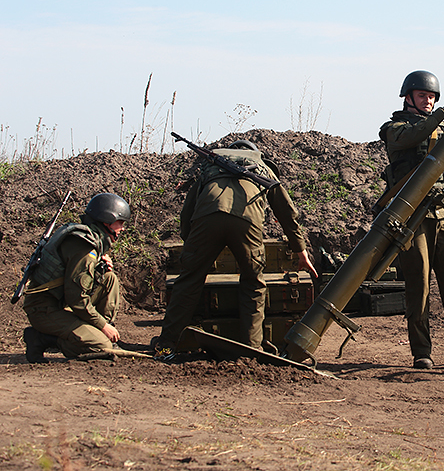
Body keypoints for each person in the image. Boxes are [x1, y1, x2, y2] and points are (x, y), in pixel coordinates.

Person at [153, 138, 317, 354]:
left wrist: (191, 246)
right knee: (253, 285)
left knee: (188, 282)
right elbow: (286, 212)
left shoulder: (210, 167)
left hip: (206, 218)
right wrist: (300, 250)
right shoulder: (263, 168)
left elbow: (187, 212)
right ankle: (252, 349)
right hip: (246, 221)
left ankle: (167, 344)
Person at [379, 62, 444, 373]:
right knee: (419, 286)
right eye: (422, 96)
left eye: (432, 97)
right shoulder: (394, 129)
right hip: (413, 219)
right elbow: (414, 136)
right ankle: (421, 352)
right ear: (407, 98)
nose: (428, 101)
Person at [22, 193, 131, 362]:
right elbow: (77, 298)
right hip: (44, 310)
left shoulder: (87, 242)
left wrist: (98, 266)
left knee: (109, 279)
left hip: (59, 302)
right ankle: (41, 338)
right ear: (107, 221)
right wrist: (103, 326)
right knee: (101, 347)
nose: (122, 228)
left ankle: (98, 332)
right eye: (120, 222)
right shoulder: (85, 248)